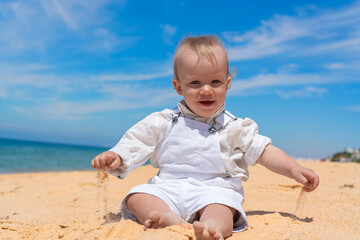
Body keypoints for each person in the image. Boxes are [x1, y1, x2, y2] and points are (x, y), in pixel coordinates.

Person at [91, 35, 319, 240]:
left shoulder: (234, 127)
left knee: (223, 207)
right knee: (137, 196)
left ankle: (212, 227)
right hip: (168, 187)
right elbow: (137, 141)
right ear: (178, 87)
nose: (207, 90)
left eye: (215, 82)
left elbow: (264, 151)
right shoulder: (164, 120)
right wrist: (117, 155)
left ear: (227, 84)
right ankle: (167, 217)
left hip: (214, 188)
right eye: (195, 83)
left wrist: (293, 169)